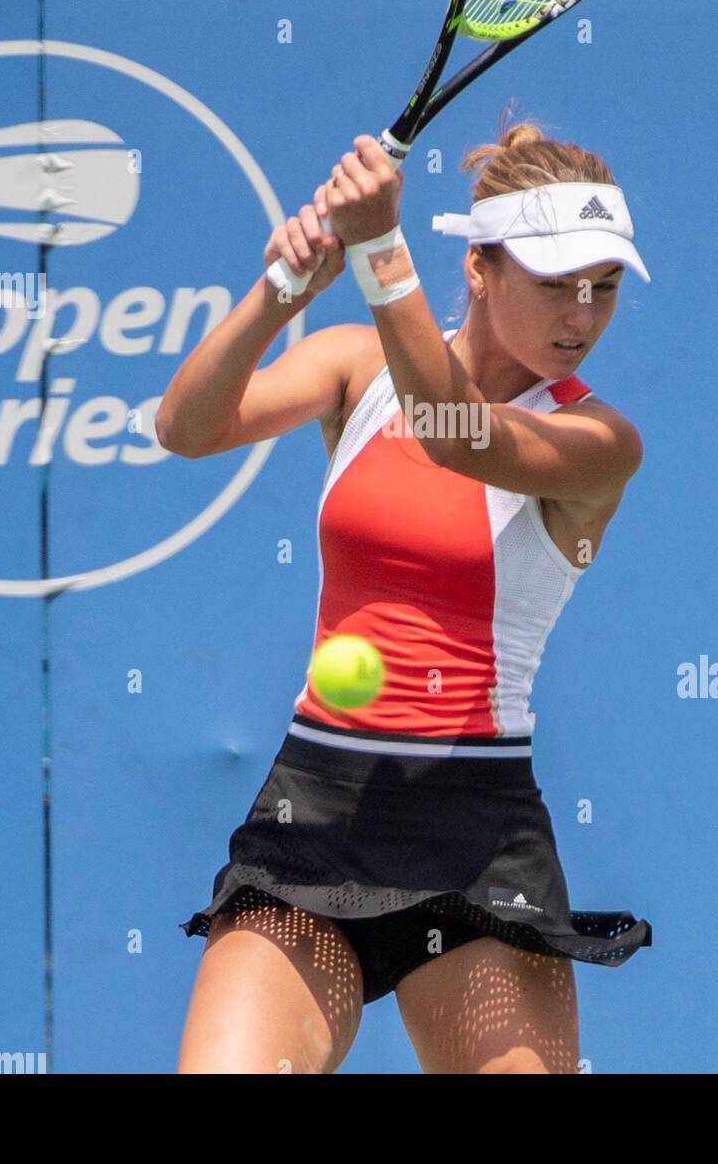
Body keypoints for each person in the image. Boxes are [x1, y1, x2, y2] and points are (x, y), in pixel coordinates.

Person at [159, 117, 653, 1074]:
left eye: (604, 285)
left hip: (478, 839)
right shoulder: (355, 365)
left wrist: (381, 246)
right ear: (478, 268)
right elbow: (185, 426)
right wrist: (279, 293)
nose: (582, 313)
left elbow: (457, 439)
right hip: (314, 817)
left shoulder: (598, 442)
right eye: (556, 282)